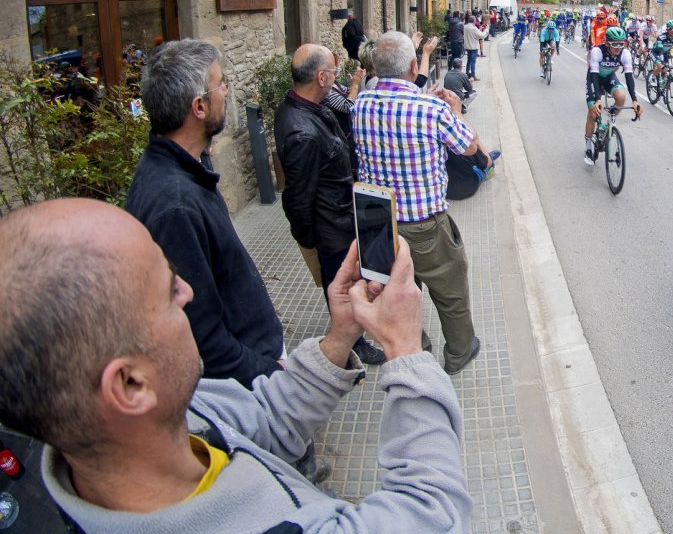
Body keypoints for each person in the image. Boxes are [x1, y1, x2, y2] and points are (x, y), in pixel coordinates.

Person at [0, 198, 471, 532]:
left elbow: (265, 418)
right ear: (129, 384)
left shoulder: (175, 418)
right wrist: (406, 349)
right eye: (166, 293)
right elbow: (433, 510)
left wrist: (340, 334)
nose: (187, 292)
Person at [125, 39, 284, 388]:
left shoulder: (185, 165)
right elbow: (203, 343)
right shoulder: (175, 206)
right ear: (199, 107)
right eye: (220, 84)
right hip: (250, 386)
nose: (226, 91)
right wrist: (273, 376)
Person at [353, 31, 483, 374]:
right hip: (424, 225)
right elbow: (470, 149)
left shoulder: (361, 104)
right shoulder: (432, 109)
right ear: (414, 65)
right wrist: (454, 109)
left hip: (378, 225)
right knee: (450, 291)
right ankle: (458, 353)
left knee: (397, 291)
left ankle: (416, 347)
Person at [275, 44, 387, 365]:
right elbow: (297, 197)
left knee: (353, 276)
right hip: (331, 226)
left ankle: (358, 329)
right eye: (334, 73)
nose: (337, 78)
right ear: (321, 77)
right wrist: (311, 241)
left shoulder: (305, 105)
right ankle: (352, 342)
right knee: (342, 282)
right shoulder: (302, 132)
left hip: (341, 213)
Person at [584, 26, 643, 165]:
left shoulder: (625, 54)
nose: (618, 47)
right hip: (595, 78)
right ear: (606, 43)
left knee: (622, 97)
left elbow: (629, 78)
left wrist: (635, 101)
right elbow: (594, 75)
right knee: (593, 112)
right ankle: (587, 146)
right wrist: (598, 99)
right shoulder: (597, 51)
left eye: (621, 43)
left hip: (609, 76)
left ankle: (609, 122)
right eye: (614, 44)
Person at [649, 19, 673, 91]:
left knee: (666, 72)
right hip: (656, 53)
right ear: (667, 29)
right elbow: (660, 51)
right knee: (661, 66)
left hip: (665, 53)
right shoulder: (661, 37)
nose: (672, 30)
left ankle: (662, 87)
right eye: (670, 28)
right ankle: (653, 77)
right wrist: (663, 63)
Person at [463, 14, 486, 79]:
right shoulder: (473, 28)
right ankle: (473, 76)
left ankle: (467, 74)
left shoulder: (465, 27)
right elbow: (481, 35)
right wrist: (486, 30)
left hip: (467, 46)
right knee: (473, 62)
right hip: (473, 47)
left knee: (468, 61)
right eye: (475, 20)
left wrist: (479, 29)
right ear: (473, 21)